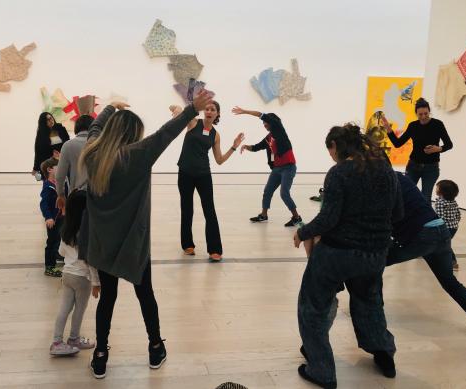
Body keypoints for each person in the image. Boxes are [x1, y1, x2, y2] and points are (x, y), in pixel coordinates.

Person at [80, 91, 213, 379]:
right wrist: (192, 109)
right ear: (132, 134)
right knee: (145, 294)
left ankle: (100, 355)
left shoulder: (92, 154)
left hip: (103, 244)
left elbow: (93, 129)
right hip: (133, 244)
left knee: (107, 299)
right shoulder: (137, 155)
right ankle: (155, 347)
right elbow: (167, 133)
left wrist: (109, 110)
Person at [293, 124, 403, 388]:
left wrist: (303, 232)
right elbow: (398, 213)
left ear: (336, 146)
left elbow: (328, 219)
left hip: (338, 254)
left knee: (313, 307)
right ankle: (384, 355)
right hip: (375, 254)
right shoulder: (386, 170)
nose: (330, 155)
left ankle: (322, 371)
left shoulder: (339, 173)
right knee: (370, 303)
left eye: (329, 149)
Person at [387, 173, 466, 329]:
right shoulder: (400, 177)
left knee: (376, 261)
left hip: (421, 236)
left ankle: (371, 312)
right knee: (451, 283)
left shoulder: (382, 182)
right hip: (441, 231)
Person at [170, 101, 244, 261]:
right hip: (185, 173)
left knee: (209, 211)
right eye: (207, 109)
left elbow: (219, 160)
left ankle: (215, 249)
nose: (209, 111)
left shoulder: (215, 135)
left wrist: (233, 147)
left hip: (204, 174)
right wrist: (175, 109)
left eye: (213, 110)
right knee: (187, 208)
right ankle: (187, 245)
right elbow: (179, 110)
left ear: (217, 114)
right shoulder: (193, 122)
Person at [50, 190, 101, 356]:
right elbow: (90, 262)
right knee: (79, 309)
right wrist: (96, 283)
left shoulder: (66, 230)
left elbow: (61, 252)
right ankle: (74, 338)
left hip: (67, 275)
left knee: (64, 309)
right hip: (82, 278)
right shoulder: (86, 233)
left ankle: (57, 342)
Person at [233, 106, 302, 226]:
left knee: (284, 193)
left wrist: (245, 111)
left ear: (272, 122)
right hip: (277, 169)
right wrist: (246, 146)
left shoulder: (279, 129)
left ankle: (296, 217)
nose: (264, 124)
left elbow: (261, 114)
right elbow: (256, 147)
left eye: (266, 122)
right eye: (264, 122)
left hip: (288, 167)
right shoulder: (268, 138)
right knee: (267, 191)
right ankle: (264, 215)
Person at [383, 97, 453, 203]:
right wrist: (388, 129)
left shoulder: (438, 124)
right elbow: (398, 144)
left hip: (431, 168)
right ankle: (405, 219)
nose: (423, 116)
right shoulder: (413, 126)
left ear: (429, 111)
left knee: (425, 197)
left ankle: (424, 219)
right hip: (413, 166)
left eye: (426, 113)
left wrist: (438, 149)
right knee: (405, 193)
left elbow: (449, 144)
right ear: (416, 113)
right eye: (420, 114)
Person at [55, 114, 95, 213]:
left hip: (76, 196)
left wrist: (61, 195)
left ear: (76, 128)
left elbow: (60, 176)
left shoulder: (68, 145)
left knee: (74, 226)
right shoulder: (100, 144)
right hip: (97, 197)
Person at [40, 157, 63, 277]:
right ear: (50, 169)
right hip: (53, 220)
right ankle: (49, 267)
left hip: (60, 218)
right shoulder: (48, 187)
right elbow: (43, 204)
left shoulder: (57, 184)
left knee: (58, 241)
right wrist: (48, 217)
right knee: (52, 243)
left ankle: (58, 256)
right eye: (58, 167)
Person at [32, 112, 70, 179]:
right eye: (47, 120)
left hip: (61, 162)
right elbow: (38, 152)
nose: (51, 121)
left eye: (51, 118)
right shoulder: (41, 134)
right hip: (48, 165)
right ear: (44, 122)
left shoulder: (60, 129)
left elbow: (67, 144)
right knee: (49, 185)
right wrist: (35, 168)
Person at [434, 179, 461, 270]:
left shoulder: (440, 203)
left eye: (437, 187)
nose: (436, 189)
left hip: (445, 228)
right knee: (444, 244)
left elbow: (439, 218)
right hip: (454, 227)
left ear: (441, 192)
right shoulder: (453, 202)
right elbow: (458, 214)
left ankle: (452, 262)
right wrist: (455, 222)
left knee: (445, 245)